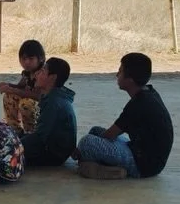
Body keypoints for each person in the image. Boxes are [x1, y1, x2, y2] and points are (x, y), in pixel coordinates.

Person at [73, 52, 174, 180]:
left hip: (142, 165)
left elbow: (110, 134)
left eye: (120, 72)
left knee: (87, 142)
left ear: (130, 79)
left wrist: (79, 151)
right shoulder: (148, 93)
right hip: (142, 152)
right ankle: (101, 166)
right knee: (95, 131)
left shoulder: (139, 104)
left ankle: (110, 170)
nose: (116, 75)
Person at [21, 57, 77, 167]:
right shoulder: (54, 96)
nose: (37, 74)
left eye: (42, 71)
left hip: (53, 155)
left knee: (2, 154)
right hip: (52, 147)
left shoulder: (54, 103)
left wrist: (15, 145)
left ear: (52, 78)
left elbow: (39, 138)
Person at [0, 40, 45, 134]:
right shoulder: (27, 73)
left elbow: (37, 95)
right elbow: (20, 87)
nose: (26, 62)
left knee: (26, 104)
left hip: (43, 108)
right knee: (9, 96)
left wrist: (12, 89)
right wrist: (7, 85)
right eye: (23, 59)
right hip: (34, 106)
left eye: (31, 59)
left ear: (41, 58)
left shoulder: (42, 73)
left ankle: (30, 132)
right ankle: (15, 130)